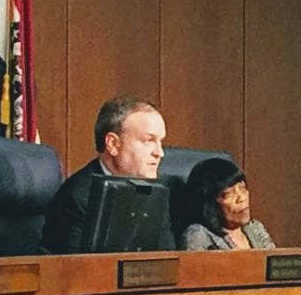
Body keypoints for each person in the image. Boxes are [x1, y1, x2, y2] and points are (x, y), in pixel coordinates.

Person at [42, 96, 175, 254]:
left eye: (160, 142)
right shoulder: (78, 197)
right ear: (113, 144)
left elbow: (167, 261)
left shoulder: (155, 193)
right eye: (148, 141)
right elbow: (73, 271)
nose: (159, 153)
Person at [179, 156, 275, 250]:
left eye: (242, 188)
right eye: (229, 194)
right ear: (210, 204)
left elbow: (275, 264)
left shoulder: (255, 229)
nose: (242, 197)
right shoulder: (199, 236)